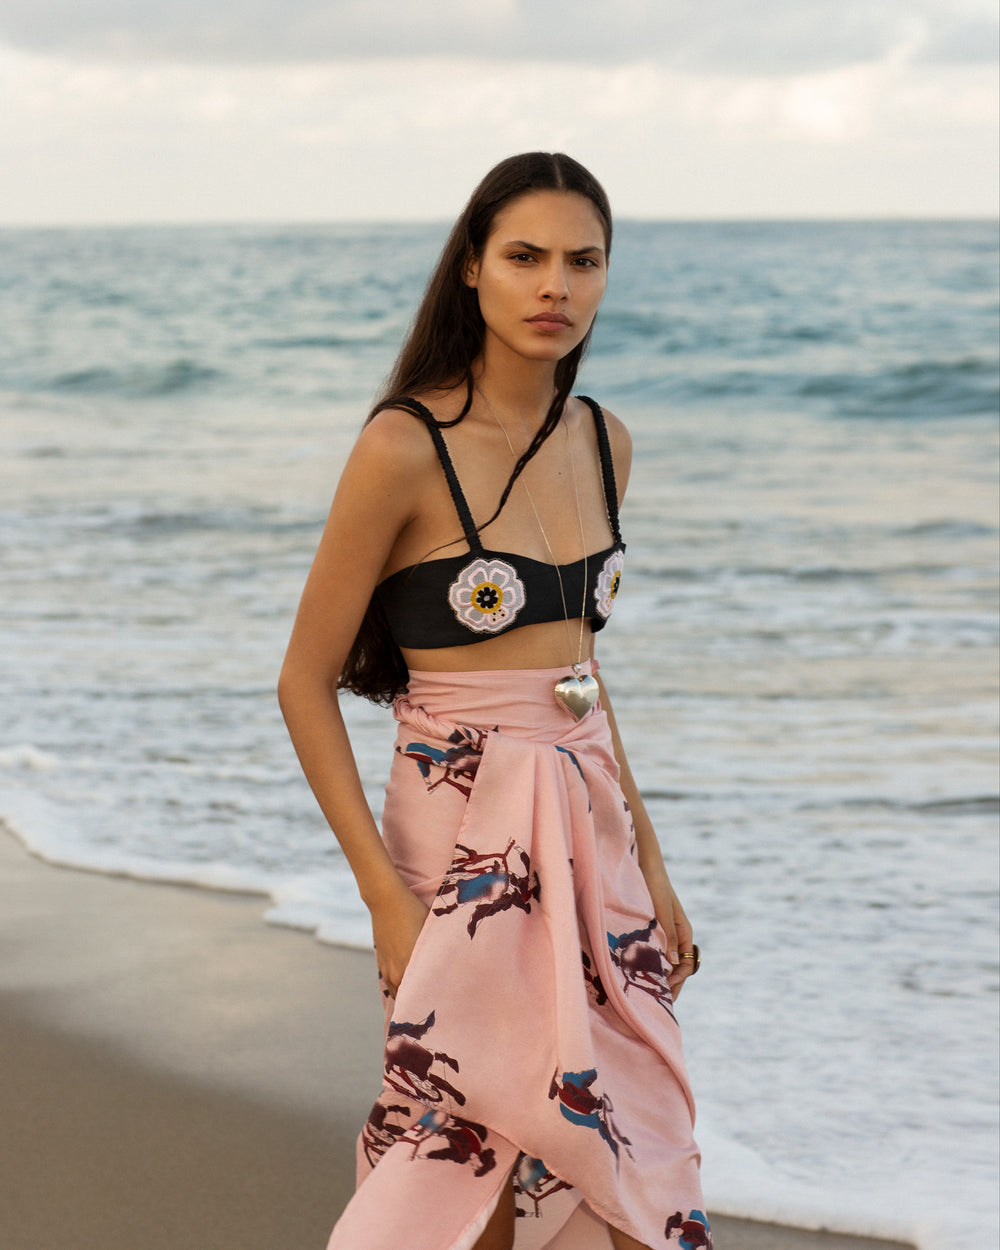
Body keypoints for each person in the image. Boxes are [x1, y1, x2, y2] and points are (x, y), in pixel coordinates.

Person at [278, 152, 711, 1250]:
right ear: (472, 268)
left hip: (588, 827)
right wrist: (381, 894)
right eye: (524, 257)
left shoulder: (605, 443)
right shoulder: (402, 446)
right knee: (464, 1145)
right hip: (458, 831)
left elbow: (581, 672)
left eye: (581, 260)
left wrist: (650, 862)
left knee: (640, 1137)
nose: (553, 285)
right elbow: (303, 680)